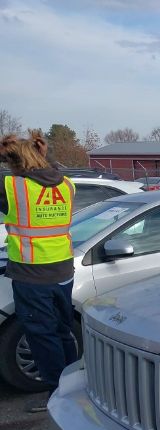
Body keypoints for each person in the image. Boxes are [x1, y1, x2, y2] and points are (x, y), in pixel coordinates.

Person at [0, 131, 76, 412]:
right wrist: (46, 157)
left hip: (33, 276)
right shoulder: (66, 184)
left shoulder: (13, 187)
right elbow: (49, 172)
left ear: (14, 161)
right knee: (63, 330)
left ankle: (58, 397)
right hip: (63, 270)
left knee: (42, 335)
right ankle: (71, 387)